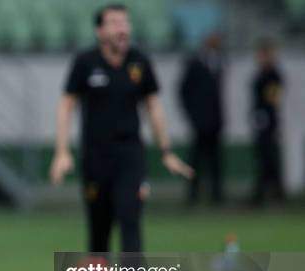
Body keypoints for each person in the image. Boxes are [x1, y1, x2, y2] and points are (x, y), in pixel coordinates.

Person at [49, 3, 192, 253]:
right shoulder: (85, 62)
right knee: (99, 227)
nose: (122, 29)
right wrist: (62, 152)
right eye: (115, 23)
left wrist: (166, 151)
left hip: (130, 154)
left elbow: (153, 107)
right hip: (95, 156)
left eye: (125, 23)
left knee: (129, 217)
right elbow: (66, 107)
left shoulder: (140, 62)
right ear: (99, 31)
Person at [179, 33, 225, 205]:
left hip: (215, 120)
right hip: (199, 121)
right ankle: (193, 193)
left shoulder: (220, 63)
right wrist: (192, 114)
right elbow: (183, 91)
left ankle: (217, 194)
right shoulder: (195, 64)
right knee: (196, 159)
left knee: (216, 160)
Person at [250, 38, 285, 204]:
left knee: (268, 157)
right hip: (260, 119)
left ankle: (270, 192)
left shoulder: (273, 74)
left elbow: (274, 99)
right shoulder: (261, 73)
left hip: (268, 120)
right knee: (264, 157)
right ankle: (270, 192)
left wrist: (265, 114)